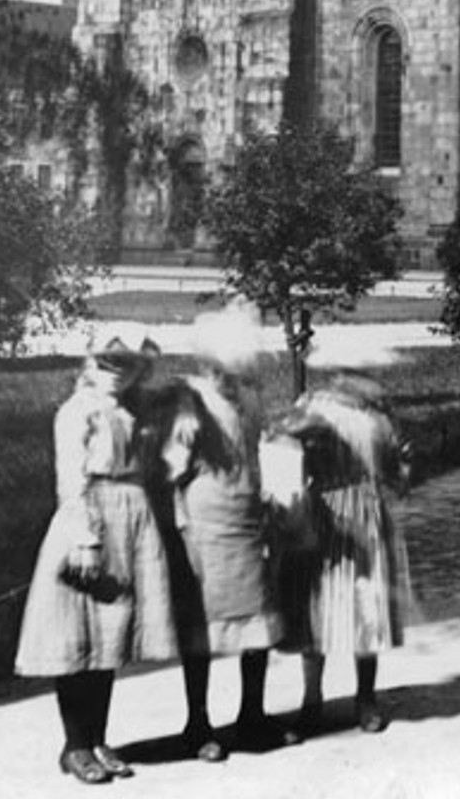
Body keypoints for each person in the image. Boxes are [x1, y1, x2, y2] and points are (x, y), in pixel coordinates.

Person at [13, 327, 178, 785]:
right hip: (88, 519)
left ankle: (99, 738)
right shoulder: (76, 412)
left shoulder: (130, 412)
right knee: (77, 637)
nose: (115, 374)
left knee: (110, 637)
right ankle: (75, 745)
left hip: (131, 519)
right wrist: (85, 539)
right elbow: (71, 480)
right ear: (89, 366)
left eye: (124, 366)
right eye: (106, 364)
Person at [149, 304, 287, 760]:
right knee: (202, 628)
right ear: (208, 359)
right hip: (205, 525)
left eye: (240, 362)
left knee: (259, 624)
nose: (232, 370)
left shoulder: (248, 399)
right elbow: (169, 469)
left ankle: (252, 717)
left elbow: (256, 451)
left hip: (248, 522)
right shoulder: (188, 401)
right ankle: (198, 723)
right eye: (224, 362)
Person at [270, 370, 415, 737]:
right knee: (315, 607)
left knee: (365, 606)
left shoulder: (379, 417)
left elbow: (398, 481)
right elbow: (279, 444)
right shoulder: (312, 407)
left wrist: (403, 467)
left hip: (367, 514)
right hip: (323, 514)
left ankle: (366, 699)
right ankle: (312, 699)